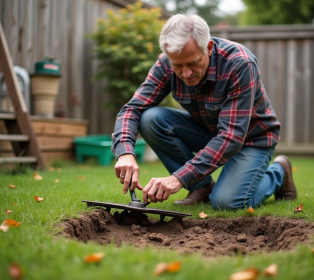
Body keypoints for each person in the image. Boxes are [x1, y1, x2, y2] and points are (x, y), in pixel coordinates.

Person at [111, 12, 297, 210]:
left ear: (208, 48)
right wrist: (125, 152)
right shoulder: (166, 63)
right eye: (177, 65)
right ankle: (202, 187)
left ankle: (279, 173)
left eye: (192, 63)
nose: (185, 73)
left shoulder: (240, 64)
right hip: (210, 133)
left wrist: (178, 179)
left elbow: (231, 137)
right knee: (150, 119)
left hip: (252, 139)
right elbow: (132, 109)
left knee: (228, 203)